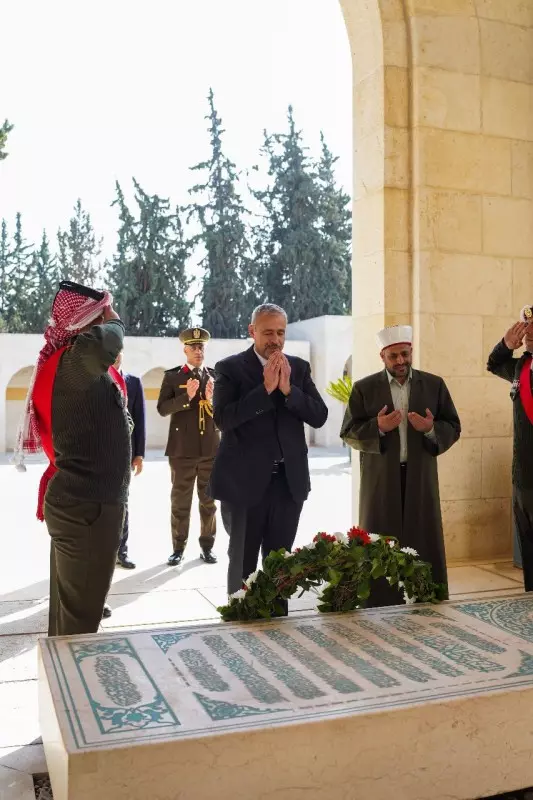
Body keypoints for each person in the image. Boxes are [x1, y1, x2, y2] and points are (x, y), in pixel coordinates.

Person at [14, 280, 131, 636]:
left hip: (82, 504)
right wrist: (114, 318)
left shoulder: (70, 367)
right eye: (101, 316)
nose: (107, 320)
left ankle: (64, 671)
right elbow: (106, 341)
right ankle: (73, 674)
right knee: (79, 622)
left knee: (70, 614)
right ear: (86, 324)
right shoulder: (72, 363)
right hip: (87, 508)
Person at [209, 303, 329, 597]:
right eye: (268, 333)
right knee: (243, 564)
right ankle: (240, 615)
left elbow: (319, 415)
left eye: (280, 333)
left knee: (281, 565)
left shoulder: (298, 368)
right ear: (252, 331)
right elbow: (223, 419)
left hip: (289, 484)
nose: (275, 340)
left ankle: (277, 617)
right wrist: (264, 389)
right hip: (243, 485)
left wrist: (289, 390)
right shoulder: (229, 369)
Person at [340, 324, 461, 606]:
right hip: (381, 478)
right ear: (382, 356)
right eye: (393, 356)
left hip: (420, 474)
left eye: (405, 354)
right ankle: (379, 600)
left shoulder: (434, 385)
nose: (400, 361)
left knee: (424, 536)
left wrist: (431, 429)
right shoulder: (364, 388)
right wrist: (378, 427)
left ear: (411, 351)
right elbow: (348, 432)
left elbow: (453, 426)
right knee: (380, 538)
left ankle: (428, 593)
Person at [157, 327, 219, 567]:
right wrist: (187, 398)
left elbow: (224, 414)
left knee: (209, 502)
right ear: (185, 350)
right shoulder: (173, 377)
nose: (198, 351)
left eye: (201, 347)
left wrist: (212, 400)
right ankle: (178, 548)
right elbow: (162, 409)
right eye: (193, 347)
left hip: (209, 450)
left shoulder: (215, 377)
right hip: (182, 451)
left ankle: (207, 546)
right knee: (180, 502)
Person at [487, 310, 533, 592]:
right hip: (524, 471)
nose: (528, 333)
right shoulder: (521, 367)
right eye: (527, 327)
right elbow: (493, 364)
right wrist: (506, 344)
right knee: (528, 540)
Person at [114, 352, 146, 570]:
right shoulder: (98, 379)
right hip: (101, 455)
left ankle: (122, 551)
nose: (116, 355)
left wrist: (139, 454)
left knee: (122, 502)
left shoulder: (133, 382)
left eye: (119, 350)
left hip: (125, 454)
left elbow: (139, 419)